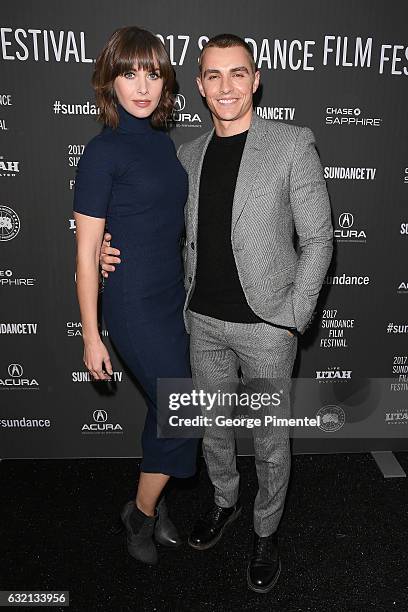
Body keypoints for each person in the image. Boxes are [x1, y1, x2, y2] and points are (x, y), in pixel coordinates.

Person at [100, 33, 333, 592]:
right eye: (212, 75)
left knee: (272, 437)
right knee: (214, 431)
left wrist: (293, 316)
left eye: (237, 74)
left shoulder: (292, 144)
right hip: (200, 321)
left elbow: (319, 240)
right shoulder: (187, 155)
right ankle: (226, 502)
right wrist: (110, 245)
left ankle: (265, 530)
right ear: (201, 86)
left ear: (255, 80)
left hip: (267, 324)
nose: (225, 86)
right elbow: (153, 222)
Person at [73, 26, 199, 566]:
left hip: (171, 298)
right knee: (183, 410)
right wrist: (90, 334)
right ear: (110, 82)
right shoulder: (102, 152)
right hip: (131, 304)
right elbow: (85, 254)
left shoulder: (163, 144)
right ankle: (140, 514)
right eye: (129, 72)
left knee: (162, 409)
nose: (141, 85)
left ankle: (155, 503)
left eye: (152, 72)